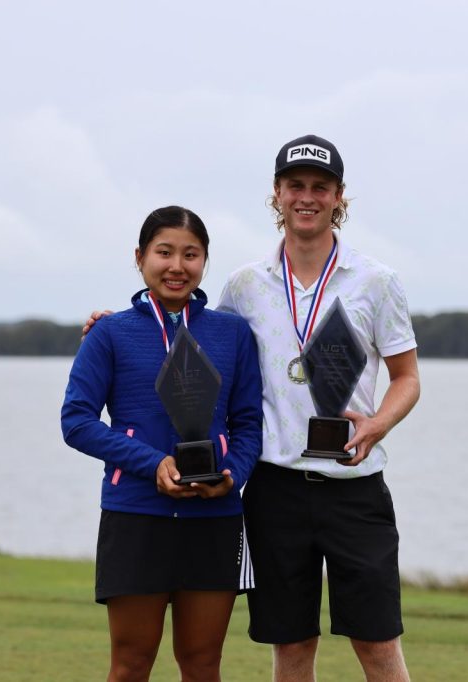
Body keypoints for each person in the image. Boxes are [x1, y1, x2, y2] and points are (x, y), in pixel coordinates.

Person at [84, 136, 420, 682]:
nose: (306, 197)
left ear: (339, 197)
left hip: (357, 486)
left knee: (378, 644)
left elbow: (407, 378)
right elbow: (192, 346)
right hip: (274, 488)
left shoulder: (377, 281)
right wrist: (115, 321)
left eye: (320, 187)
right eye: (295, 186)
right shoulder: (244, 286)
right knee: (290, 647)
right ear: (277, 195)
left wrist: (377, 423)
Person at [62, 205, 263, 682]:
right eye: (164, 252)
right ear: (140, 258)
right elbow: (76, 420)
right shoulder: (110, 333)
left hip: (214, 518)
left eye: (191, 255)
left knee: (202, 664)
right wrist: (152, 464)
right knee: (130, 666)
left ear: (205, 262)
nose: (177, 266)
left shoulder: (232, 333)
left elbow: (251, 422)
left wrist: (234, 472)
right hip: (136, 515)